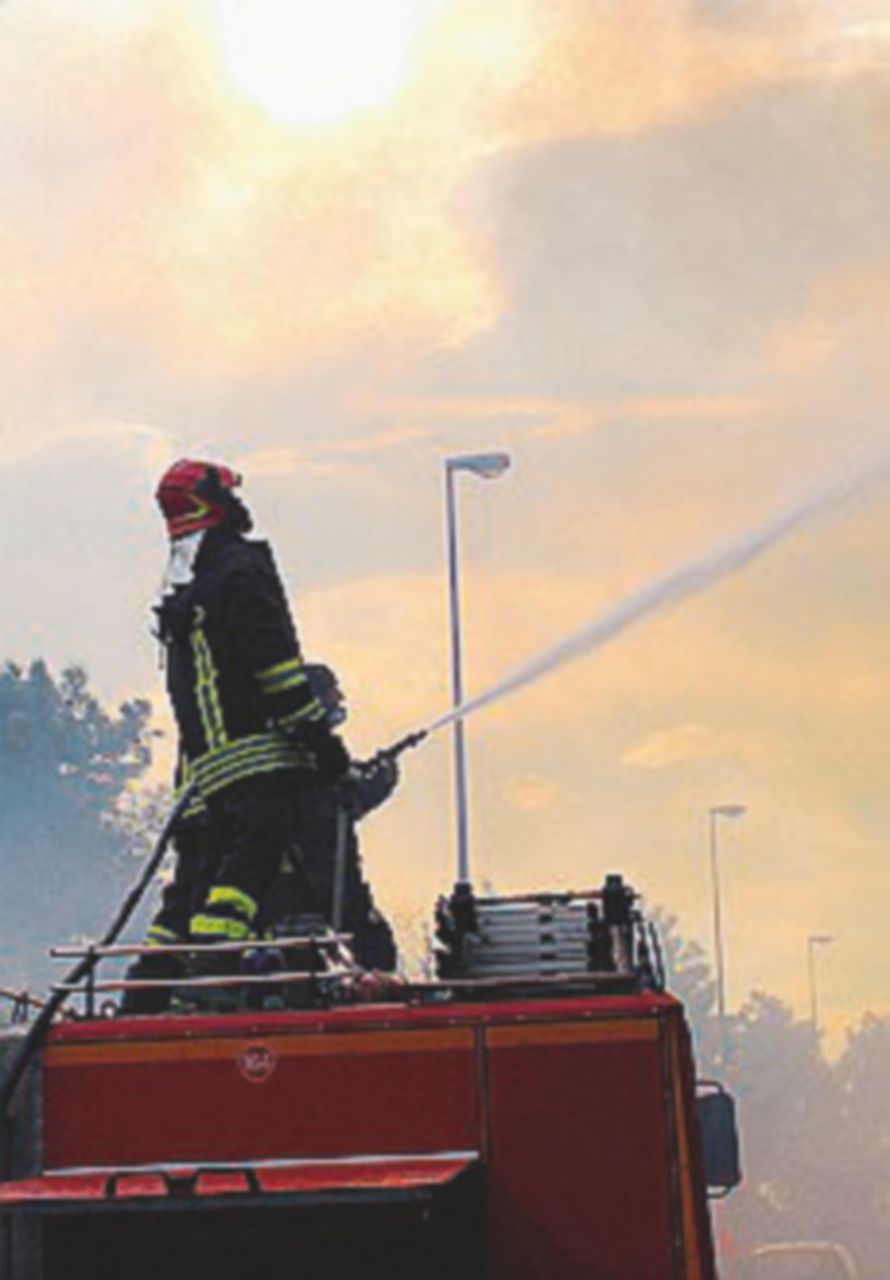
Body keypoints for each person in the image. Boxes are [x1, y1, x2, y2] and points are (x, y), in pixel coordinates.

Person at [122, 458, 385, 1012]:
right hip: (257, 759)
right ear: (216, 501)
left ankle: (148, 986)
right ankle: (217, 951)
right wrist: (322, 746)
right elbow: (277, 667)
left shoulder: (185, 592)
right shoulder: (242, 570)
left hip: (203, 773)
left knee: (193, 885)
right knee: (260, 843)